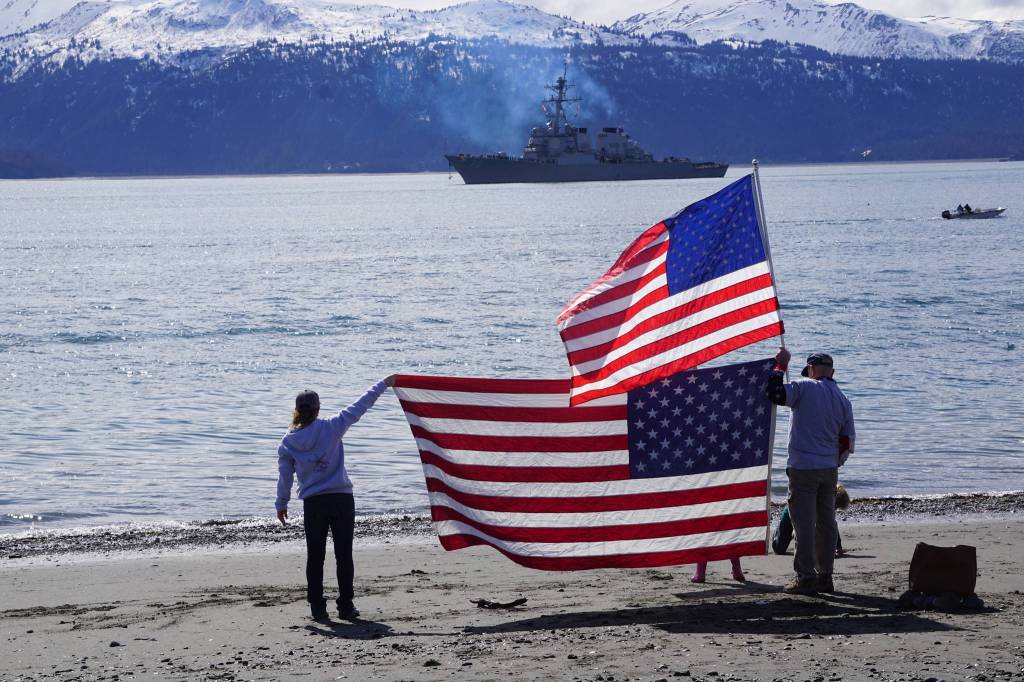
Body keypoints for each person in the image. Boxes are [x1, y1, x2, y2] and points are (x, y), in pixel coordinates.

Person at [276, 376, 395, 622]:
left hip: (314, 504)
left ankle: (318, 609)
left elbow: (285, 477)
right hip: (341, 500)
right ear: (318, 408)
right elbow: (361, 405)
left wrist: (281, 503)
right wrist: (384, 383)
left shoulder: (288, 442)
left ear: (296, 411)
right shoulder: (332, 426)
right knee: (344, 554)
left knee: (315, 557)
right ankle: (346, 606)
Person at [764, 349, 855, 595]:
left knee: (803, 525)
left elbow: (774, 393)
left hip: (803, 466)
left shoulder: (804, 386)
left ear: (811, 370)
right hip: (829, 469)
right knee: (826, 523)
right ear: (832, 372)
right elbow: (847, 441)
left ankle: (805, 577)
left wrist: (780, 366)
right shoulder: (843, 399)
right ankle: (825, 575)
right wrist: (834, 462)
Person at [772, 482, 850, 557]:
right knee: (779, 549)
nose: (835, 509)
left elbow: (832, 525)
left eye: (836, 508)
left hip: (805, 517)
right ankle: (777, 532)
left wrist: (838, 547)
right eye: (835, 506)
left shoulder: (827, 506)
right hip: (790, 515)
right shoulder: (816, 498)